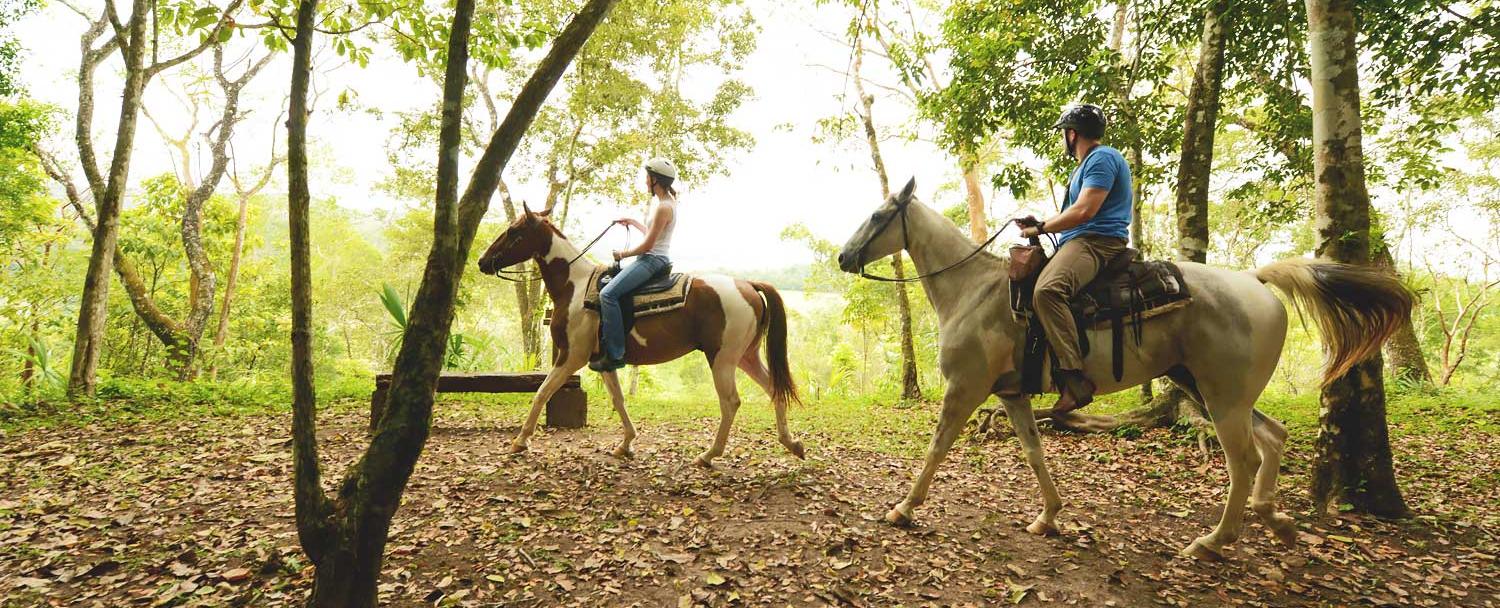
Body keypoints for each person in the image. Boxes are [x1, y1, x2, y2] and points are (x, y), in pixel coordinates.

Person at [1017, 104, 1133, 413]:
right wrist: (1039, 224)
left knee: (1048, 291)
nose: (1062, 140)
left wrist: (1040, 227)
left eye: (1063, 135)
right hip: (1079, 241)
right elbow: (1073, 213)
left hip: (1098, 241)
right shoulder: (1085, 166)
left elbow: (1084, 212)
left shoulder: (1102, 158)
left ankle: (1074, 379)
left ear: (1072, 134)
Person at [591, 157, 681, 372]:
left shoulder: (663, 207)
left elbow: (649, 244)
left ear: (655, 180)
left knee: (607, 295)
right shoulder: (667, 203)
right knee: (608, 287)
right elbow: (654, 235)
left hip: (652, 260)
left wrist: (622, 254)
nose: (645, 181)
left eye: (647, 177)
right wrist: (632, 222)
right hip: (654, 257)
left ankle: (615, 354)